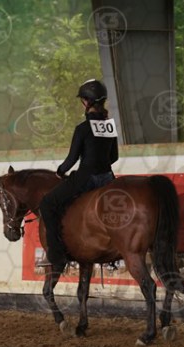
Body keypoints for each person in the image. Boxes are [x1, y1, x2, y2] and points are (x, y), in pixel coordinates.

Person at [40, 79, 119, 266]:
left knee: (47, 203)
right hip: (108, 179)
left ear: (87, 102)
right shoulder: (110, 126)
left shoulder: (82, 129)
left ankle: (56, 255)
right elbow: (114, 157)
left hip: (86, 179)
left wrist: (60, 172)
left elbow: (72, 159)